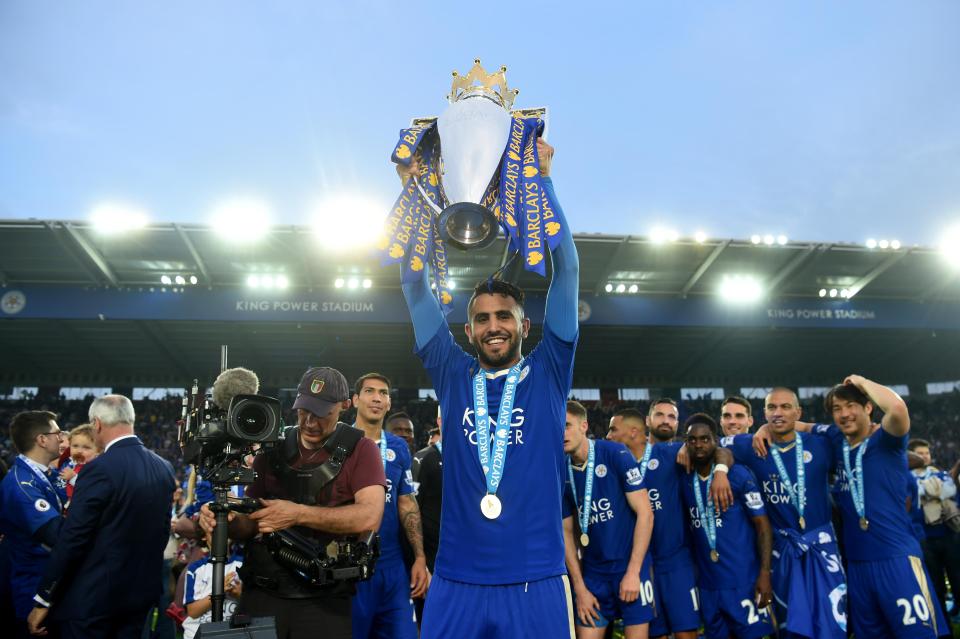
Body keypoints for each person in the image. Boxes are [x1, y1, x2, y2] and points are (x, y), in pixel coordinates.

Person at [401, 139, 579, 638]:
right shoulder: (454, 374)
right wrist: (413, 190)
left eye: (505, 316)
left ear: (525, 327)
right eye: (482, 318)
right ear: (469, 330)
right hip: (456, 579)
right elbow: (414, 286)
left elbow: (568, 271)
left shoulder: (549, 370)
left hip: (535, 579)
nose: (493, 325)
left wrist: (543, 178)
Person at [199, 366, 386, 639]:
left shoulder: (361, 449)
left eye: (321, 413)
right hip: (263, 593)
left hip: (324, 601)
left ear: (344, 406)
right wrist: (227, 519)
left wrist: (297, 514)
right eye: (304, 410)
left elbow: (369, 517)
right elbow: (251, 524)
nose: (310, 421)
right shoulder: (272, 446)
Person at [27, 395, 177, 639]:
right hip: (139, 596)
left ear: (96, 424)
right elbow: (161, 533)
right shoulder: (163, 467)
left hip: (95, 602)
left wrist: (45, 597)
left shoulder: (100, 469)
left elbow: (73, 537)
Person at [812, 376, 947, 638]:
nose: (844, 414)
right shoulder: (835, 440)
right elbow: (799, 426)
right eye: (837, 409)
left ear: (868, 407)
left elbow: (897, 409)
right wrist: (761, 431)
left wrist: (861, 382)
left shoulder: (886, 441)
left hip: (896, 559)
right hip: (858, 565)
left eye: (850, 405)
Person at [723, 387, 847, 638]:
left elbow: (842, 432)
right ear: (763, 413)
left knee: (831, 626)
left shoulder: (820, 445)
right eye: (772, 408)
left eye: (785, 407)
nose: (778, 413)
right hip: (781, 553)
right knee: (790, 628)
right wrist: (719, 470)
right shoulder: (750, 446)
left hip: (821, 550)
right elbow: (713, 446)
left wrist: (800, 426)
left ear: (798, 412)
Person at [606, 406, 732, 639]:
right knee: (656, 634)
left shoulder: (668, 453)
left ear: (633, 431)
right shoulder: (612, 463)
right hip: (641, 565)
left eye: (613, 429)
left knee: (685, 633)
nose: (607, 436)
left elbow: (717, 449)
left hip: (676, 562)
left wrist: (721, 471)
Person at [563, 401, 654, 638]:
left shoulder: (614, 453)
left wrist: (634, 572)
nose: (561, 433)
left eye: (567, 425)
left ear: (584, 426)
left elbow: (645, 513)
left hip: (630, 567)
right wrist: (580, 588)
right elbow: (565, 533)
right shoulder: (560, 471)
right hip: (593, 575)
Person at [681, 414, 774, 639]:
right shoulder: (683, 477)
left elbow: (762, 525)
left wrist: (764, 574)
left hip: (742, 581)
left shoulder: (738, 475)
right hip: (708, 584)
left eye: (705, 439)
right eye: (692, 440)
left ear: (716, 440)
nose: (698, 445)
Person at [350, 374, 428, 639]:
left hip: (393, 567)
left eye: (383, 393)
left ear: (389, 402)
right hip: (351, 567)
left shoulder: (398, 447)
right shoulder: (339, 442)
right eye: (369, 391)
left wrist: (419, 557)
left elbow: (407, 504)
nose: (376, 398)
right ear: (355, 399)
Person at [0, 411, 65, 638]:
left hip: (53, 585)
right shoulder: (20, 485)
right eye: (57, 433)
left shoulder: (48, 475)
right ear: (42, 439)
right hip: (33, 590)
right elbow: (58, 535)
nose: (62, 438)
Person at [908, 438, 960, 626]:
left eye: (926, 453)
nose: (924, 457)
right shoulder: (906, 477)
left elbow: (950, 489)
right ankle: (943, 627)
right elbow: (917, 494)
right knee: (935, 587)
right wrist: (932, 490)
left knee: (958, 580)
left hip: (949, 536)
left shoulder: (938, 473)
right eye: (919, 453)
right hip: (924, 540)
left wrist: (926, 490)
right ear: (911, 456)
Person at [182, 532, 243, 639]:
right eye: (213, 532)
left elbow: (255, 605)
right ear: (204, 536)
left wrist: (239, 593)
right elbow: (192, 612)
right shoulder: (196, 569)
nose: (220, 535)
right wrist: (218, 592)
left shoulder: (243, 564)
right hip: (199, 633)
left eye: (225, 529)